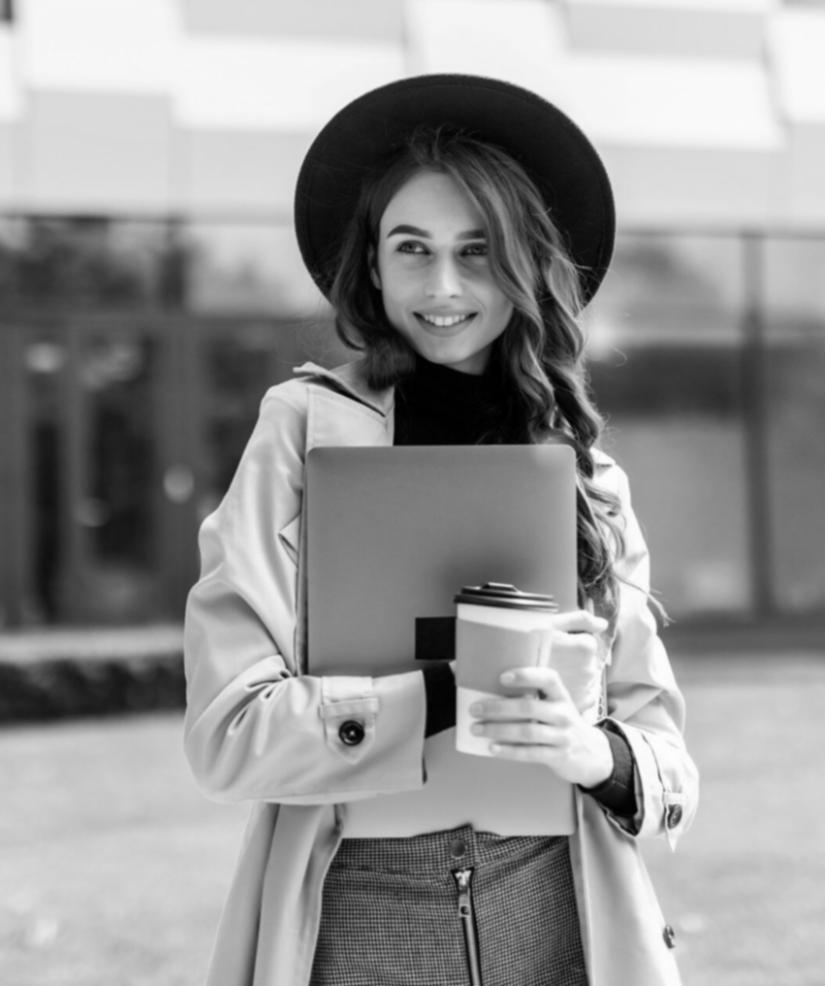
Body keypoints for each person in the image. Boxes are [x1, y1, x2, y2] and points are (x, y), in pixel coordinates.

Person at [183, 73, 699, 986]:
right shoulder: (301, 430)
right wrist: (448, 690)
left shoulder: (587, 475)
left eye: (477, 250)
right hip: (358, 904)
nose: (444, 285)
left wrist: (590, 753)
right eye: (412, 248)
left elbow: (667, 776)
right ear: (371, 266)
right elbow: (229, 738)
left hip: (560, 911)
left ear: (523, 262)